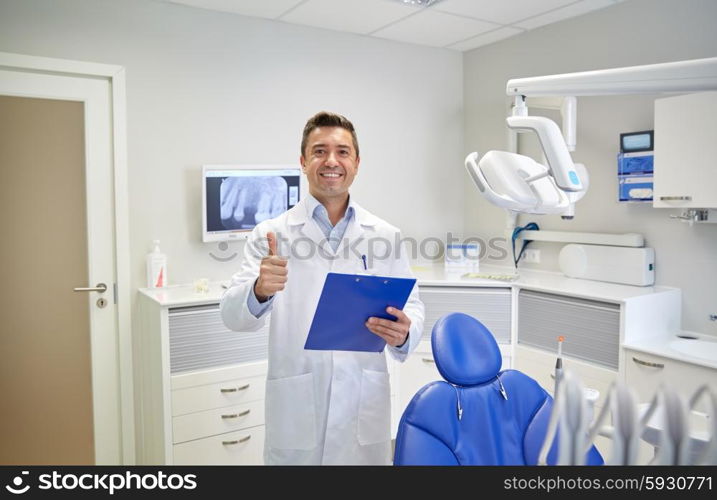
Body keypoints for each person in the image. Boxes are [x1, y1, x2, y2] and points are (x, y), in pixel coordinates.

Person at [220, 111, 424, 465]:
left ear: (357, 163)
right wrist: (259, 290)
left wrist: (406, 331)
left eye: (343, 152)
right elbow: (232, 316)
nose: (332, 161)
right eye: (319, 151)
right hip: (298, 404)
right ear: (303, 161)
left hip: (364, 403)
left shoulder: (385, 235)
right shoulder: (272, 234)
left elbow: (414, 306)